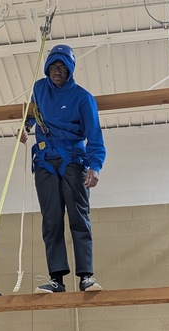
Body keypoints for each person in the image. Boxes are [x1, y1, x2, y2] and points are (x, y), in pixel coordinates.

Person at [22, 43, 106, 293]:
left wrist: (94, 166)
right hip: (45, 160)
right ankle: (56, 279)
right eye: (53, 67)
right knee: (51, 220)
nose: (57, 71)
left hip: (72, 158)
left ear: (70, 70)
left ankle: (86, 276)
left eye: (63, 67)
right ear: (47, 68)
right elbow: (32, 112)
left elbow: (95, 135)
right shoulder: (39, 88)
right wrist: (25, 126)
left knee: (79, 218)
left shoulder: (82, 98)